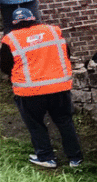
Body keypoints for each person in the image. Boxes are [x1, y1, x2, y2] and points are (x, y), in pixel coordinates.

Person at [0, 8, 84, 168]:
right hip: (59, 87)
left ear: (14, 23)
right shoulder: (53, 31)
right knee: (65, 122)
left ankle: (46, 157)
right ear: (34, 18)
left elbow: (5, 67)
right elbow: (67, 53)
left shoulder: (10, 40)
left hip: (29, 92)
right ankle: (75, 159)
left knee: (36, 124)